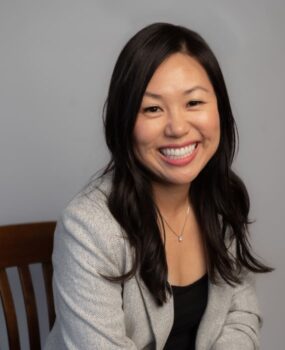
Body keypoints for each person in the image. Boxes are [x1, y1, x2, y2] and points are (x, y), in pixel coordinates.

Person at [44, 22, 273, 350]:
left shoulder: (220, 199)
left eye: (193, 103)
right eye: (152, 108)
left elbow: (241, 314)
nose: (178, 127)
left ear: (219, 108)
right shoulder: (88, 227)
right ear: (124, 123)